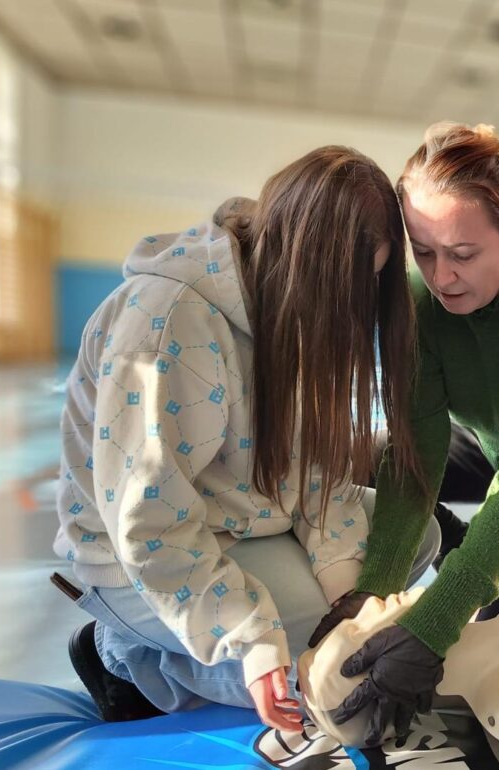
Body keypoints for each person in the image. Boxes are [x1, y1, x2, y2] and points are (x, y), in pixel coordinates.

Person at [53, 146, 431, 731]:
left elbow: (314, 475)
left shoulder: (289, 304)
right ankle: (124, 655)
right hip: (141, 558)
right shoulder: (167, 321)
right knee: (320, 666)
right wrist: (250, 638)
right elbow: (148, 525)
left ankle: (256, 638)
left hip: (245, 520)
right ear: (307, 259)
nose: (354, 306)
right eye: (349, 285)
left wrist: (349, 603)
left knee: (411, 536)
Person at [308, 122, 499, 743]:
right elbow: (415, 450)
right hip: (490, 443)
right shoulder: (419, 302)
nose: (442, 276)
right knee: (362, 460)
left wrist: (433, 624)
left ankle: (467, 549)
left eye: (462, 253)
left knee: (493, 631)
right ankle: (456, 538)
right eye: (423, 252)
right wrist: (375, 590)